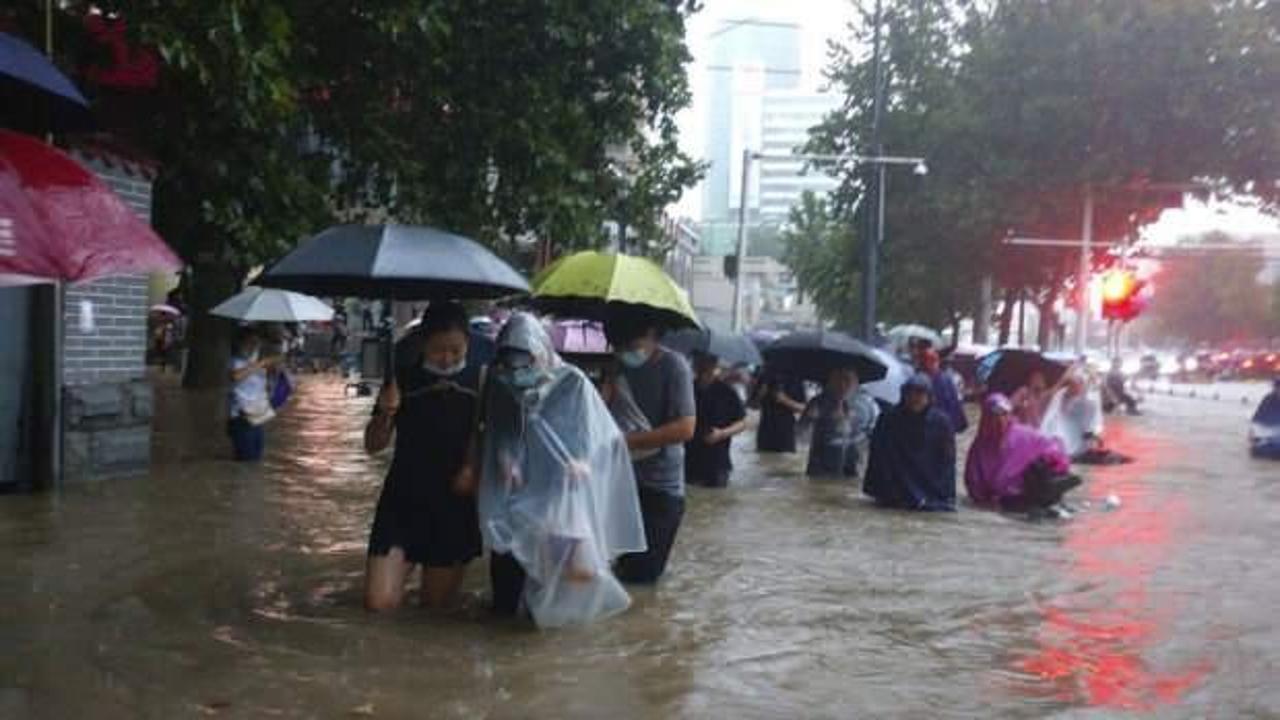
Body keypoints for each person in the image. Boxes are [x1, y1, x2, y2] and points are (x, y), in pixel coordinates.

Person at [478, 314, 646, 627]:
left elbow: (600, 434)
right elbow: (498, 431)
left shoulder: (574, 383)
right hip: (517, 496)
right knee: (505, 595)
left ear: (541, 354)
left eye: (525, 365)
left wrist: (583, 461)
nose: (517, 374)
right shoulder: (501, 384)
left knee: (563, 578)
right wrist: (505, 457)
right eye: (510, 366)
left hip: (559, 496)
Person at [362, 302, 483, 612]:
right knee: (379, 604)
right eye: (438, 349)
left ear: (468, 343)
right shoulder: (402, 378)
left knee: (434, 611)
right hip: (403, 498)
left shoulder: (481, 380)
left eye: (456, 350)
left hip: (453, 503)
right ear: (423, 344)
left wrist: (472, 468)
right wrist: (385, 415)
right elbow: (373, 445)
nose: (447, 358)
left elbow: (489, 436)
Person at [604, 313, 696, 584]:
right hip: (623, 482)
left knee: (644, 578)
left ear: (653, 334)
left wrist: (629, 441)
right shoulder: (617, 366)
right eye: (618, 345)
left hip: (661, 488)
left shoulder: (674, 367)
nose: (625, 352)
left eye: (632, 345)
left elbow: (686, 427)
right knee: (619, 571)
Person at [965, 394, 1082, 513]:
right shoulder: (980, 446)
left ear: (1010, 415)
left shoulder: (1025, 436)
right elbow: (974, 484)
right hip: (1003, 504)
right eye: (994, 416)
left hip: (1031, 497)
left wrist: (1048, 463)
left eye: (1004, 414)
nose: (1000, 421)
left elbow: (1055, 450)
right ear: (986, 418)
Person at [862, 373, 957, 511]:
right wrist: (883, 491)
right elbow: (878, 458)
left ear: (929, 396)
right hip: (893, 490)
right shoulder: (888, 419)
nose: (914, 397)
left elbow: (947, 461)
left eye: (920, 393)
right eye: (909, 392)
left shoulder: (941, 423)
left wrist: (947, 495)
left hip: (930, 491)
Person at [801, 366, 879, 479]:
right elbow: (801, 437)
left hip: (854, 466)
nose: (841, 384)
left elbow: (875, 436)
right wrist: (810, 418)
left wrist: (848, 419)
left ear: (856, 382)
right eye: (837, 379)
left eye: (847, 380)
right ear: (829, 382)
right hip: (820, 467)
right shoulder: (818, 402)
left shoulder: (868, 404)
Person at [685, 352, 748, 488]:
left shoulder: (727, 392)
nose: (702, 367)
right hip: (689, 458)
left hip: (717, 460)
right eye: (699, 363)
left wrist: (722, 433)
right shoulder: (686, 389)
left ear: (714, 365)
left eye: (706, 363)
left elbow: (742, 423)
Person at [227, 327, 282, 462]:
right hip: (241, 415)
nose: (253, 347)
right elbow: (236, 376)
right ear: (240, 343)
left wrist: (273, 370)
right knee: (246, 458)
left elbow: (267, 385)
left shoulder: (255, 361)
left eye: (256, 343)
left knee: (256, 458)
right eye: (250, 343)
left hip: (257, 413)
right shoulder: (234, 361)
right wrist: (261, 363)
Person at [753, 370, 807, 453]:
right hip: (765, 432)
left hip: (786, 432)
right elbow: (752, 406)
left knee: (786, 461)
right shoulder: (764, 376)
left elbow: (804, 409)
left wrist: (785, 400)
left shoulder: (795, 378)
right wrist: (761, 394)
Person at [921, 349, 969, 433]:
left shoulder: (945, 379)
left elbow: (954, 401)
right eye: (927, 361)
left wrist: (960, 422)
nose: (931, 364)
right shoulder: (920, 378)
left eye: (933, 361)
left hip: (943, 421)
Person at [1248, 377, 1280, 459]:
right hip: (1269, 438)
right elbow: (1257, 419)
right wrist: (1252, 434)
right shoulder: (1268, 399)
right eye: (1277, 387)